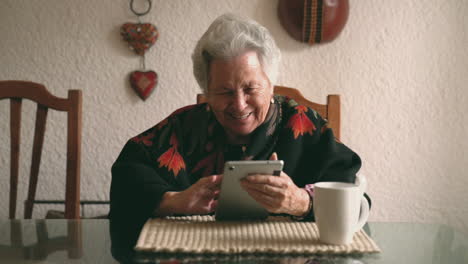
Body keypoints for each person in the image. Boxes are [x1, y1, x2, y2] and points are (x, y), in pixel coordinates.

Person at [109, 13, 366, 222]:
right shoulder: (184, 127)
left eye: (251, 89)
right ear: (207, 92)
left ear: (271, 85)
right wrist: (173, 201)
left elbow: (357, 200)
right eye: (224, 91)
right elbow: (128, 174)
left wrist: (300, 201)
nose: (239, 104)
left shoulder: (301, 124)